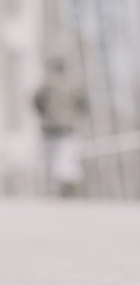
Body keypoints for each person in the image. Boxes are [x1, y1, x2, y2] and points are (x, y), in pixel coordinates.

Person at [34, 60, 88, 197]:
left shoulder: (46, 85)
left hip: (49, 127)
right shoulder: (72, 85)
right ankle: (66, 188)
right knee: (66, 159)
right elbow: (83, 103)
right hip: (66, 127)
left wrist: (45, 114)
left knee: (52, 160)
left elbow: (36, 101)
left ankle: (57, 189)